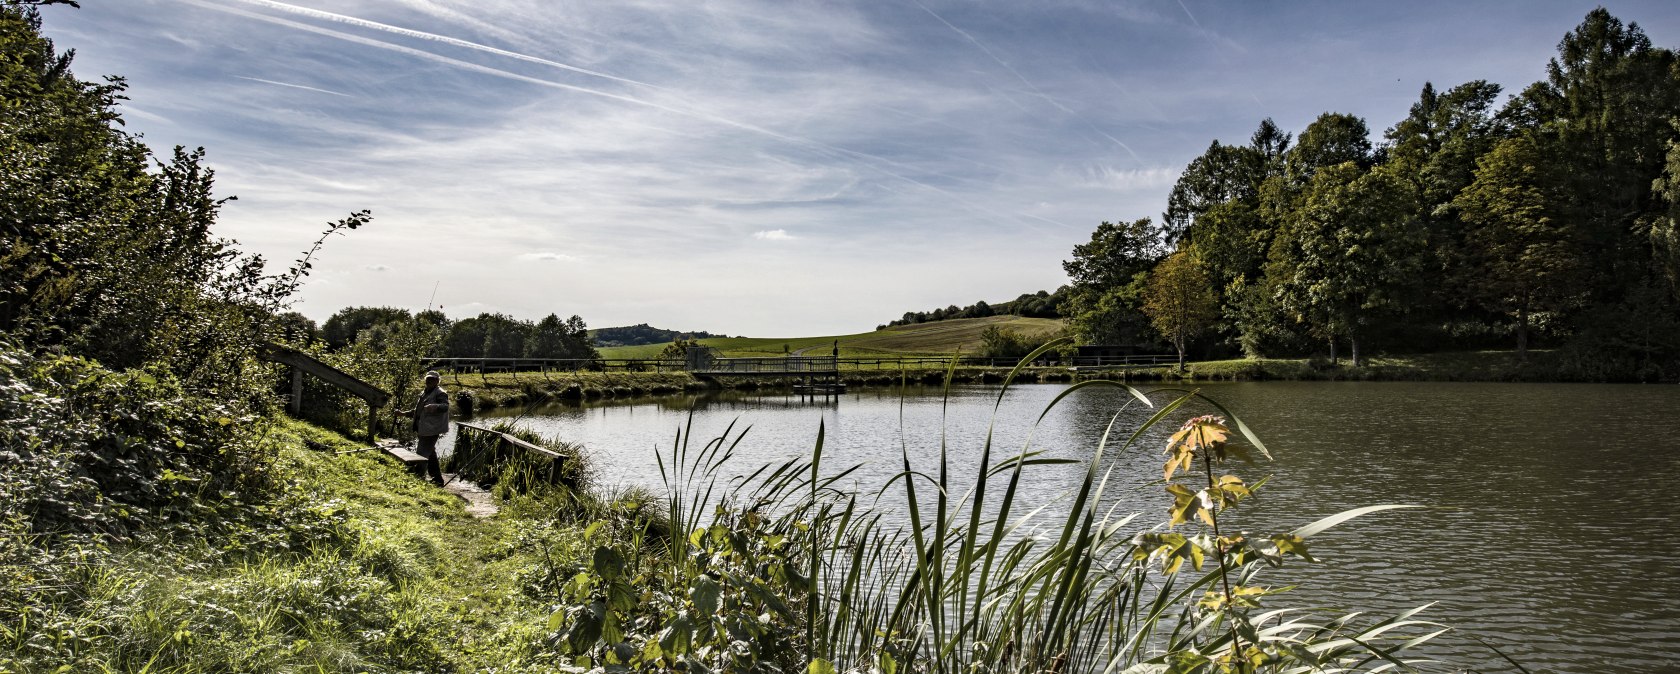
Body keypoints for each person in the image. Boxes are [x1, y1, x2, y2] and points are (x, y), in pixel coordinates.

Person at [403, 370, 450, 486]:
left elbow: (445, 407)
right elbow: (418, 412)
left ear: (437, 381)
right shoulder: (425, 393)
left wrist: (434, 407)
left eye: (432, 379)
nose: (429, 381)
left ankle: (418, 477)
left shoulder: (440, 393)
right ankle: (438, 479)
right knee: (431, 453)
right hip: (423, 428)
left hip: (431, 429)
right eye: (428, 379)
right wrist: (403, 414)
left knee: (421, 453)